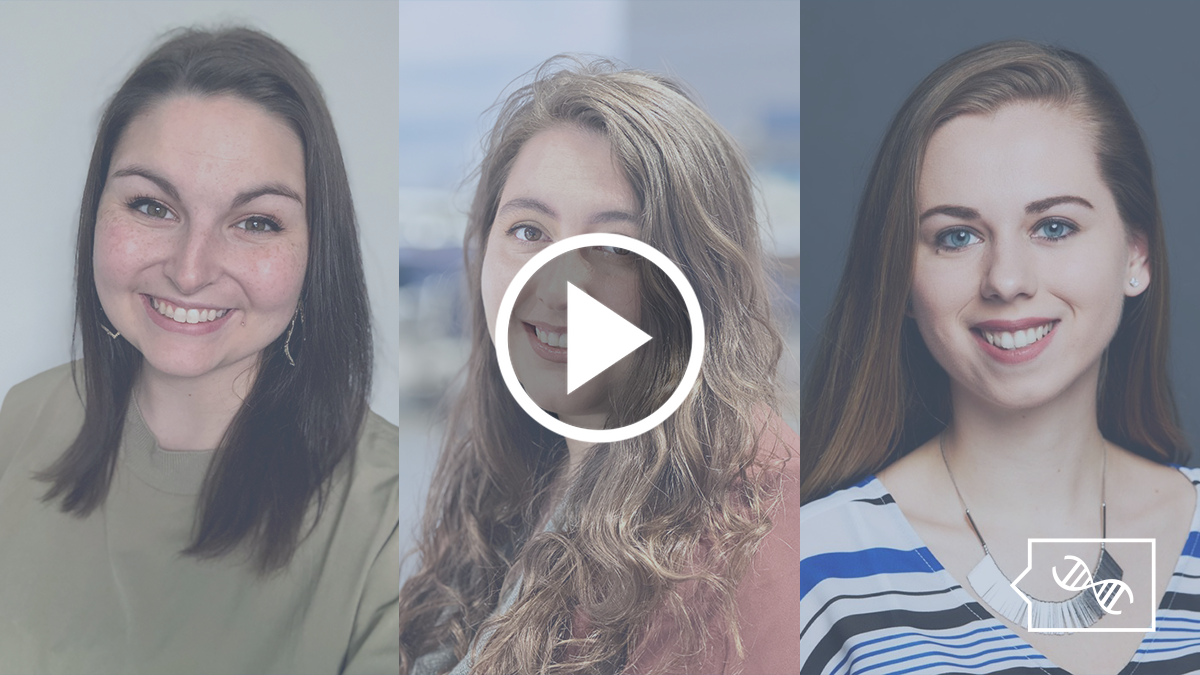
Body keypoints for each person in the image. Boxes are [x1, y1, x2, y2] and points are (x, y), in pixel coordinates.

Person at [0, 27, 399, 673]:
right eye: (152, 206)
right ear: (95, 212)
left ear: (315, 249)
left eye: (256, 221)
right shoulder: (20, 420)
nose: (190, 270)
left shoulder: (390, 515)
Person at [799, 41, 1199, 675]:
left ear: (1135, 256)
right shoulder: (814, 572)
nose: (1006, 280)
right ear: (902, 281)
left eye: (1054, 227)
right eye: (956, 237)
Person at [399, 58, 800, 675]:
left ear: (698, 280)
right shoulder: (520, 469)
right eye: (528, 232)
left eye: (614, 247)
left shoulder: (754, 510)